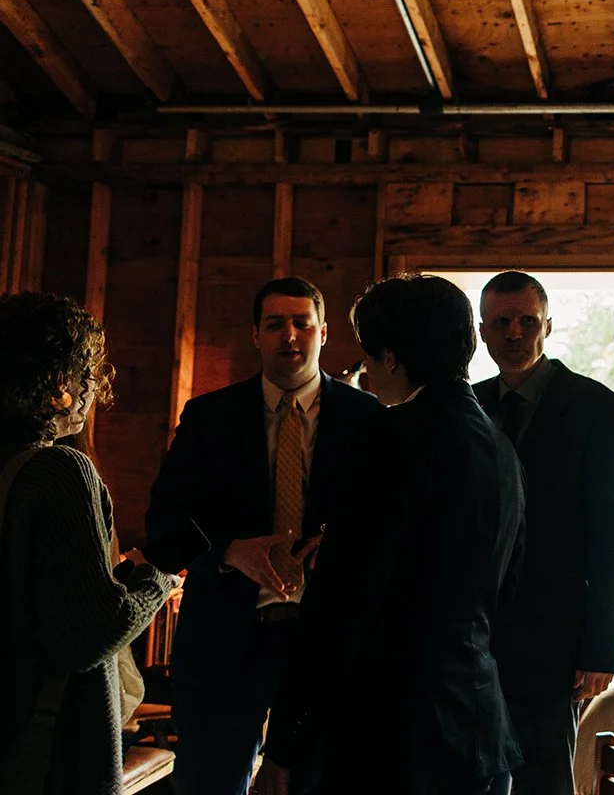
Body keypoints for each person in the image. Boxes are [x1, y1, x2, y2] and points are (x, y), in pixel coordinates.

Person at [257, 274, 526, 795]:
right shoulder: (501, 449)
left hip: (395, 734)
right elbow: (505, 585)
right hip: (478, 724)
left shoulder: (390, 437)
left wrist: (285, 744)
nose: (365, 370)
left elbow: (340, 608)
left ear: (393, 358)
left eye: (369, 355)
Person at [145, 277, 381, 795]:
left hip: (329, 639)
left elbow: (389, 526)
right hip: (226, 642)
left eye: (301, 323)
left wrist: (345, 549)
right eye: (275, 324)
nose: (289, 335)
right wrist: (228, 551)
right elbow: (163, 525)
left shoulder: (370, 419)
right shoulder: (209, 417)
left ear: (324, 332)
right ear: (256, 335)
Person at [0, 292, 174, 794]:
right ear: (60, 383)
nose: (92, 388)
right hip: (51, 752)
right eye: (87, 373)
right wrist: (156, 579)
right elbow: (89, 636)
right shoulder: (60, 470)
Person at [473, 271, 614, 795]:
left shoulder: (595, 407)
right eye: (502, 321)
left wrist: (601, 648)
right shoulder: (469, 405)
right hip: (473, 638)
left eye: (527, 320)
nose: (515, 333)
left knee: (543, 779)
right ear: (482, 330)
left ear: (548, 326)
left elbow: (612, 535)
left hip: (553, 640)